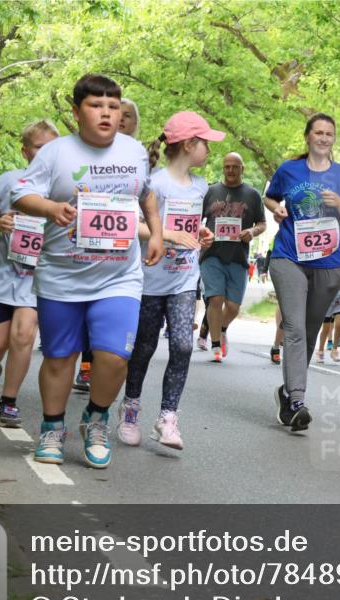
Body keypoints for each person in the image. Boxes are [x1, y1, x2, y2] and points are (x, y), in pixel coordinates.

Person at [12, 73, 163, 469]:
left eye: (113, 107)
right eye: (97, 106)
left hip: (119, 276)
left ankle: (96, 418)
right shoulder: (56, 153)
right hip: (63, 276)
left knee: (114, 357)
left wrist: (158, 234)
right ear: (77, 111)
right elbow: (21, 193)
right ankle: (52, 427)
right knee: (61, 358)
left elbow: (146, 194)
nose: (106, 114)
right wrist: (51, 209)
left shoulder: (132, 151)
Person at [116, 111, 220, 448]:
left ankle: (168, 417)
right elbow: (136, 226)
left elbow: (192, 226)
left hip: (184, 280)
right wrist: (169, 235)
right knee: (144, 348)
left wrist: (202, 234)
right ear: (189, 145)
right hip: (149, 280)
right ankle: (131, 406)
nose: (209, 150)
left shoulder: (201, 186)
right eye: (205, 143)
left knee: (183, 345)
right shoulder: (156, 184)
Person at [264, 113, 340, 431]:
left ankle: (287, 391)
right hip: (288, 256)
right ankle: (297, 400)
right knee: (293, 328)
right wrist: (276, 209)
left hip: (328, 263)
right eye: (318, 132)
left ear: (334, 139)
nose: (323, 138)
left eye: (329, 134)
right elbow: (270, 196)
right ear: (307, 137)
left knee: (308, 330)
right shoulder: (289, 169)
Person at [0, 120, 59, 427]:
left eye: (52, 149)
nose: (46, 154)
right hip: (7, 273)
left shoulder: (63, 188)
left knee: (23, 336)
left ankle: (8, 402)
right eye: (39, 147)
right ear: (25, 151)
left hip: (40, 276)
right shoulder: (9, 182)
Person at [74, 99, 143, 393]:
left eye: (128, 116)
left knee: (113, 320)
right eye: (118, 114)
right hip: (87, 249)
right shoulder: (86, 152)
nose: (122, 120)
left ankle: (103, 373)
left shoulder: (139, 158)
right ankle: (86, 365)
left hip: (125, 255)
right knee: (86, 310)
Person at [200, 152, 266, 363]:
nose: (230, 170)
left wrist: (252, 233)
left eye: (234, 167)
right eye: (227, 166)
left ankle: (222, 328)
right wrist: (202, 232)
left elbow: (262, 224)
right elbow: (195, 219)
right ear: (223, 168)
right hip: (212, 253)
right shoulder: (210, 191)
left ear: (242, 169)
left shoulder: (253, 195)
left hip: (238, 255)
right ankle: (216, 345)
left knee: (233, 307)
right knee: (216, 298)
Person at [316, 264, 340, 364]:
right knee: (326, 328)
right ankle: (320, 351)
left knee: (339, 325)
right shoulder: (329, 267)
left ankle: (335, 350)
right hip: (328, 302)